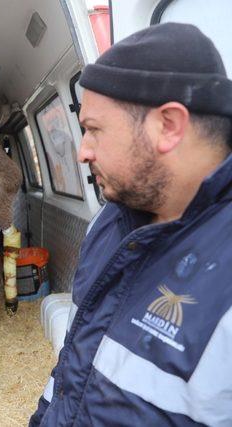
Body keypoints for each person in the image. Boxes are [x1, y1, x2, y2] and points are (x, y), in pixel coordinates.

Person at [30, 22, 232, 426]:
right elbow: (73, 370)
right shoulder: (109, 223)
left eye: (93, 130)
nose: (82, 152)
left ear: (168, 126)